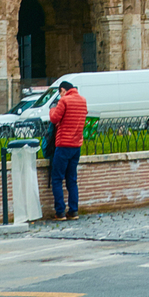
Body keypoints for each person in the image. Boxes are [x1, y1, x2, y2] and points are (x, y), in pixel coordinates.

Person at [46, 79, 88, 219]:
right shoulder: (83, 100)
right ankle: (73, 210)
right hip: (76, 145)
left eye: (60, 93)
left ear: (63, 90)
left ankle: (60, 212)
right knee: (71, 179)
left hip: (63, 144)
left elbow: (54, 118)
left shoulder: (64, 101)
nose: (60, 96)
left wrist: (52, 109)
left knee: (57, 179)